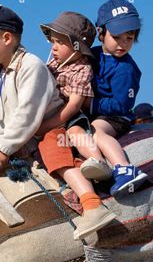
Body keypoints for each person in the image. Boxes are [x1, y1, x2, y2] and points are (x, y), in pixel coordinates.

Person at [0, 5, 116, 240]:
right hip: (21, 140)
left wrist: (3, 147)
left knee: (54, 153)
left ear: (7, 38)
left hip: (47, 129)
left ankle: (92, 204)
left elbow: (27, 114)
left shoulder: (32, 66)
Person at [37, 11, 112, 181]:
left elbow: (74, 105)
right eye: (53, 41)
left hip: (68, 115)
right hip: (50, 108)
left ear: (78, 47)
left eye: (60, 43)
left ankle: (98, 162)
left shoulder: (82, 69)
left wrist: (48, 124)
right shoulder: (53, 64)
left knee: (75, 131)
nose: (53, 47)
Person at [84, 0, 148, 196]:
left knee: (97, 132)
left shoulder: (126, 69)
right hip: (94, 112)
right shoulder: (92, 55)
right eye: (117, 36)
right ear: (101, 33)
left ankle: (124, 168)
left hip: (115, 117)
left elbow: (121, 105)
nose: (123, 43)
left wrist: (90, 104)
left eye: (129, 38)